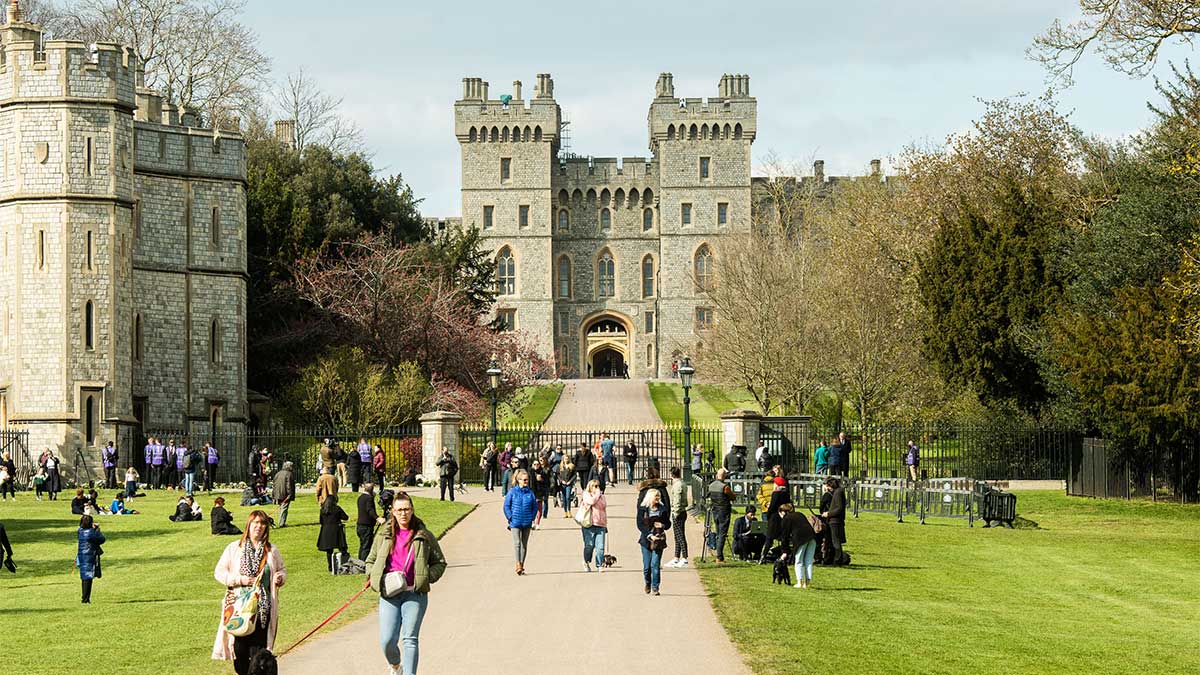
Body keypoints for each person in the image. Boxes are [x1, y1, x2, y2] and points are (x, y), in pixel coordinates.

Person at [365, 491, 447, 675]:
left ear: (412, 510)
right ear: (393, 512)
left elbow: (440, 563)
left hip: (414, 594)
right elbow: (370, 561)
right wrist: (374, 577)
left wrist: (425, 577)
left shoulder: (423, 535)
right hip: (389, 594)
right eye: (399, 510)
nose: (403, 513)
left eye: (407, 509)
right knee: (387, 640)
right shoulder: (384, 535)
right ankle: (395, 665)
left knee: (410, 639)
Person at [212, 510, 287, 675]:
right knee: (239, 651)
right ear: (249, 525)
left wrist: (280, 578)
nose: (259, 527)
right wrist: (238, 580)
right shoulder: (234, 548)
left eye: (262, 524)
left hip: (262, 609)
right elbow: (219, 572)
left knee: (258, 653)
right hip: (239, 610)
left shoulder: (271, 550)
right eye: (256, 523)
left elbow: (281, 569)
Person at [502, 469, 538, 576]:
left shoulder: (530, 493)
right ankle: (517, 564)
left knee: (524, 545)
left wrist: (531, 517)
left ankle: (522, 564)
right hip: (515, 522)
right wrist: (510, 517)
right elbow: (506, 506)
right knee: (517, 543)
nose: (526, 481)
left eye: (527, 480)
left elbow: (535, 507)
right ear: (519, 480)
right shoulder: (512, 492)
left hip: (527, 522)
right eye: (524, 480)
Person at [637, 487, 671, 596]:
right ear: (650, 497)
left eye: (659, 496)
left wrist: (663, 525)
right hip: (646, 540)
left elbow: (668, 524)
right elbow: (640, 524)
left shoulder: (662, 509)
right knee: (647, 567)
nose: (657, 498)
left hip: (658, 541)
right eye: (655, 496)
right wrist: (650, 535)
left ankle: (655, 587)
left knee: (655, 565)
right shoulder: (643, 509)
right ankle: (647, 583)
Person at [778, 502, 818, 588]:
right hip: (812, 537)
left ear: (783, 512)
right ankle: (807, 584)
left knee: (799, 561)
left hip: (801, 539)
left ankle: (799, 582)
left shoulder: (786, 518)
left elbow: (785, 536)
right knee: (808, 561)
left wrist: (785, 551)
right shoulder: (799, 514)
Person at [578, 478, 608, 572]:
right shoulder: (586, 494)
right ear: (590, 487)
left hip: (600, 524)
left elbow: (603, 507)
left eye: (598, 486)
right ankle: (586, 561)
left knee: (600, 547)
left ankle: (599, 564)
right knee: (589, 546)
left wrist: (605, 524)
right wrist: (596, 494)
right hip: (589, 524)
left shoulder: (602, 497)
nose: (596, 488)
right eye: (594, 486)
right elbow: (591, 502)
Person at [76, 515, 105, 603]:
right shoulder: (91, 532)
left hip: (82, 555)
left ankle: (85, 598)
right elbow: (102, 539)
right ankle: (85, 599)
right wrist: (97, 530)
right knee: (88, 577)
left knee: (85, 577)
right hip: (90, 555)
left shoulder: (80, 531)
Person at [317, 492, 349, 573]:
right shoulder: (337, 509)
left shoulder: (323, 510)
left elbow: (321, 521)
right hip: (336, 530)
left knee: (329, 551)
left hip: (326, 531)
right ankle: (344, 563)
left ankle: (330, 567)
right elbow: (345, 517)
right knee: (342, 547)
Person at [707, 468, 734, 563]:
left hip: (715, 511)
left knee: (718, 532)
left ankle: (719, 555)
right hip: (724, 511)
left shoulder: (711, 485)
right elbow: (732, 496)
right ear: (724, 476)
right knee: (722, 533)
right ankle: (719, 556)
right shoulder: (725, 487)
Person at [820, 477, 848, 565]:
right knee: (834, 541)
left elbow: (839, 508)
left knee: (836, 541)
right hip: (835, 520)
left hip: (835, 520)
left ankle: (838, 559)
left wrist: (828, 514)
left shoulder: (838, 493)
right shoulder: (838, 492)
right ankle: (835, 558)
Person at [666, 466, 690, 568]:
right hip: (681, 511)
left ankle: (684, 558)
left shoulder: (677, 485)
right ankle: (676, 557)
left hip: (678, 512)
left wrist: (675, 512)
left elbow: (677, 499)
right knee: (677, 536)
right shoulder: (682, 483)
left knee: (680, 536)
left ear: (672, 475)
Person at [766, 475, 792, 552]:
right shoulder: (786, 494)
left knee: (769, 538)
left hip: (774, 518)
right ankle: (784, 553)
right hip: (783, 517)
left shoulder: (776, 493)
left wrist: (768, 514)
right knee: (783, 538)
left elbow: (772, 506)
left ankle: (763, 556)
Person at [357, 482, 382, 561]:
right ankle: (364, 562)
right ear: (372, 490)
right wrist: (377, 518)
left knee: (362, 545)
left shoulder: (360, 497)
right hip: (366, 525)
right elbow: (369, 510)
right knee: (366, 546)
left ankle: (360, 560)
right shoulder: (369, 498)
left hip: (360, 525)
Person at [272, 462, 295, 528]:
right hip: (285, 494)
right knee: (284, 508)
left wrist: (273, 495)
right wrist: (290, 494)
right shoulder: (289, 474)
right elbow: (289, 486)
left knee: (281, 508)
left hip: (278, 493)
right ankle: (281, 523)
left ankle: (281, 522)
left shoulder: (278, 473)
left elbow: (274, 485)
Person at [530, 458, 551, 525]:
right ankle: (532, 522)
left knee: (539, 508)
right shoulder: (530, 472)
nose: (536, 465)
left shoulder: (542, 472)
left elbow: (547, 482)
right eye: (535, 464)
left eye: (537, 464)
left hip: (539, 492)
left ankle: (537, 523)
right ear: (532, 465)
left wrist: (541, 479)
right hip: (531, 492)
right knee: (532, 508)